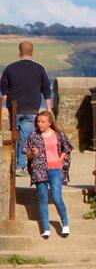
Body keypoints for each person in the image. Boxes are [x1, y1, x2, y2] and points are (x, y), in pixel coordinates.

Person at [1, 41, 53, 177]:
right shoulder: (40, 69)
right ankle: (20, 166)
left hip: (14, 109)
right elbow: (47, 91)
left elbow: (4, 92)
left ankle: (11, 164)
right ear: (32, 52)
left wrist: (6, 109)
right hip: (31, 110)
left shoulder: (10, 68)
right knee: (25, 138)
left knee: (13, 137)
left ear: (19, 52)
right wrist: (49, 110)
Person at [23, 111, 72, 239]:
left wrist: (60, 160)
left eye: (43, 122)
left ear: (50, 122)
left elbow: (67, 148)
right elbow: (26, 154)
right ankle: (45, 228)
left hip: (55, 170)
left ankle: (65, 223)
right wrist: (33, 153)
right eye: (38, 121)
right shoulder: (33, 136)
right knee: (43, 199)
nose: (40, 124)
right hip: (39, 170)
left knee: (56, 197)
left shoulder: (58, 134)